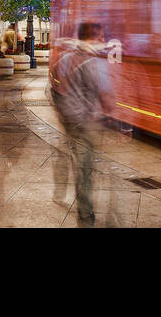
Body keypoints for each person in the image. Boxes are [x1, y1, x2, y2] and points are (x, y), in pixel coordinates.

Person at [53, 22, 114, 226]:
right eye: (100, 37)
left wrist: (64, 110)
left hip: (69, 120)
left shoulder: (66, 58)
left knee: (72, 160)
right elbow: (107, 98)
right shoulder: (96, 63)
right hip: (86, 123)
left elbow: (56, 85)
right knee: (85, 172)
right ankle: (86, 217)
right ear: (90, 39)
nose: (103, 42)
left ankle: (60, 191)